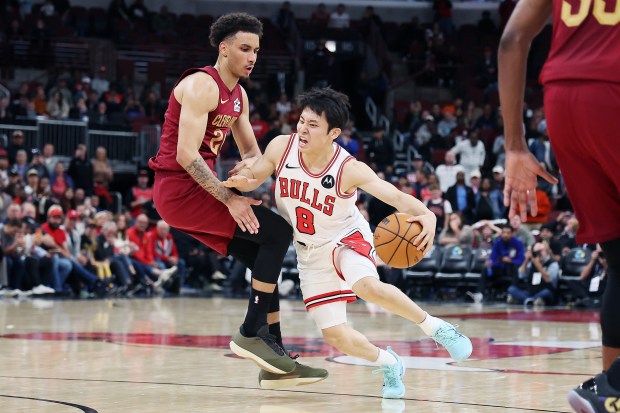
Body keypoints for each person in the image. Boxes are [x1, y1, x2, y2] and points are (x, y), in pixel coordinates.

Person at [223, 87, 472, 399]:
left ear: (333, 133)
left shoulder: (348, 168)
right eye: (302, 121)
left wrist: (427, 214)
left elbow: (392, 195)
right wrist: (241, 181)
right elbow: (256, 175)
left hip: (344, 236)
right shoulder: (280, 147)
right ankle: (389, 363)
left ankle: (436, 328)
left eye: (313, 125)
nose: (302, 129)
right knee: (334, 334)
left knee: (365, 285)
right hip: (309, 253)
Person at [147, 12, 326, 387]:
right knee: (276, 234)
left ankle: (274, 357)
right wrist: (230, 198)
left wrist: (256, 176)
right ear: (223, 48)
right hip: (179, 189)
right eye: (245, 48)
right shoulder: (201, 85)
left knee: (266, 256)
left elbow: (251, 153)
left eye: (257, 50)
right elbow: (186, 155)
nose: (252, 57)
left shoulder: (239, 95)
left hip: (199, 188)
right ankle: (250, 331)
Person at [498, 0, 620, 408]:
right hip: (614, 89)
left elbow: (513, 40)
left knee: (618, 259)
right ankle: (617, 385)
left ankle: (610, 395)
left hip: (562, 104)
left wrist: (514, 146)